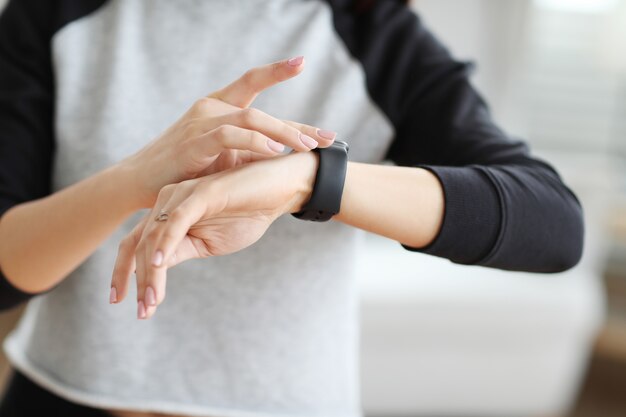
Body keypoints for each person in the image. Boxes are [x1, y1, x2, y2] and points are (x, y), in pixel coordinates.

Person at [0, 0, 584, 416]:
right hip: (60, 395)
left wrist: (314, 181)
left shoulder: (374, 35)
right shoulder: (53, 14)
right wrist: (136, 178)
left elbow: (554, 225)